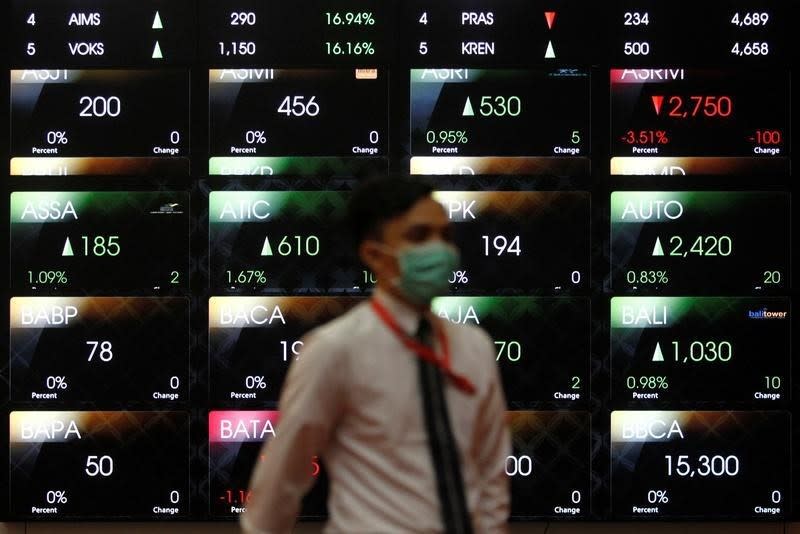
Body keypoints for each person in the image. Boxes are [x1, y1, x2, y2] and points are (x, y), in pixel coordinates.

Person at [241, 176, 511, 533]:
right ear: (373, 255)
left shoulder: (474, 347)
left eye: (445, 236)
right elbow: (281, 481)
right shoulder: (334, 349)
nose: (440, 250)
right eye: (419, 237)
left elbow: (491, 473)